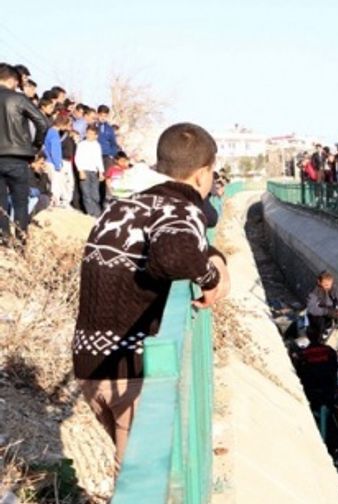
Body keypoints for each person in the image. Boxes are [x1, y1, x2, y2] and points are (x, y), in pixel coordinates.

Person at [73, 122, 230, 473]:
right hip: (131, 369)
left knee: (131, 470)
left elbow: (165, 240)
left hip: (90, 365)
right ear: (204, 174)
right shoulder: (182, 210)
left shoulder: (121, 208)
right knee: (142, 478)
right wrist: (210, 277)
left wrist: (213, 253)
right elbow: (174, 256)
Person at [0, 63, 49, 243]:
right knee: (20, 202)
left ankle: (4, 240)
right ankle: (21, 241)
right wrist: (35, 147)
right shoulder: (19, 99)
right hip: (18, 158)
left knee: (0, 203)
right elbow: (42, 123)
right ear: (12, 80)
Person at [305, 271, 338, 339]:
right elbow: (312, 309)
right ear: (319, 282)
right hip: (318, 315)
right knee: (319, 321)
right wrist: (327, 312)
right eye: (325, 285)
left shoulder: (334, 289)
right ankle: (320, 336)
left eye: (330, 284)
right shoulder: (314, 292)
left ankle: (337, 329)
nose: (328, 287)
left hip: (331, 313)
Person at [75, 125, 105, 216]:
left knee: (95, 194)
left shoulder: (97, 145)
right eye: (88, 133)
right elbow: (78, 158)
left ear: (96, 135)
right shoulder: (82, 144)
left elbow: (98, 159)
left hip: (94, 171)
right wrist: (80, 170)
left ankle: (97, 213)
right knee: (86, 193)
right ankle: (91, 213)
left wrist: (101, 172)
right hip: (85, 170)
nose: (89, 135)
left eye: (92, 134)